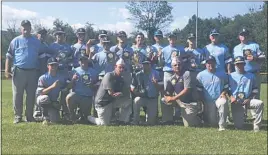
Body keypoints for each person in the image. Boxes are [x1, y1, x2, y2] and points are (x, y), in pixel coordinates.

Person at [5, 20, 41, 123]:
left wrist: (42, 71)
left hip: (33, 72)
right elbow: (8, 56)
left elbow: (42, 57)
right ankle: (18, 116)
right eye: (24, 27)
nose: (26, 29)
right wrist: (7, 70)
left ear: (30, 28)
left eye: (28, 27)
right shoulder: (15, 41)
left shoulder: (37, 42)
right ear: (21, 29)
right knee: (17, 95)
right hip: (19, 71)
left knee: (31, 95)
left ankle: (29, 117)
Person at [233, 28, 266, 119]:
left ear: (248, 35)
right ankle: (242, 115)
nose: (243, 36)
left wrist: (255, 58)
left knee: (255, 94)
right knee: (241, 93)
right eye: (241, 34)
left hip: (253, 73)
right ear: (239, 36)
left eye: (245, 34)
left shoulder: (254, 45)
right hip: (241, 74)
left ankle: (255, 115)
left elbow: (263, 57)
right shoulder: (236, 48)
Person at [87, 58, 132, 125]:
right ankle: (90, 118)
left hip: (112, 101)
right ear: (115, 67)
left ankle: (122, 121)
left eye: (123, 68)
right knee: (103, 124)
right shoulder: (109, 75)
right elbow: (111, 93)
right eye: (120, 67)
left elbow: (126, 92)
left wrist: (122, 93)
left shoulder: (122, 77)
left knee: (128, 101)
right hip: (103, 103)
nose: (122, 69)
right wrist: (121, 94)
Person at [162, 57, 201, 127]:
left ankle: (199, 118)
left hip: (190, 102)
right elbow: (168, 93)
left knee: (188, 125)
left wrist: (173, 98)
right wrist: (165, 95)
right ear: (172, 67)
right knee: (163, 100)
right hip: (179, 101)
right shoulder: (172, 78)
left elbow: (186, 90)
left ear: (182, 65)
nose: (177, 66)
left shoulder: (186, 74)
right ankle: (168, 120)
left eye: (179, 64)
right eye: (175, 65)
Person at [229, 56, 264, 132]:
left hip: (248, 100)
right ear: (235, 65)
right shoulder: (230, 76)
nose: (239, 65)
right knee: (239, 126)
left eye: (241, 64)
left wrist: (250, 98)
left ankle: (257, 126)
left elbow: (255, 90)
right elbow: (226, 89)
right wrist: (231, 97)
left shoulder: (251, 75)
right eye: (237, 64)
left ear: (244, 64)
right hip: (236, 102)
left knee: (260, 103)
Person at [196, 55, 229, 131]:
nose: (210, 65)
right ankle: (212, 119)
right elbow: (199, 90)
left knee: (223, 103)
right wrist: (202, 101)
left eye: (212, 63)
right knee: (213, 123)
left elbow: (226, 86)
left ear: (215, 63)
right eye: (208, 63)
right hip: (207, 100)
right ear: (205, 64)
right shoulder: (200, 75)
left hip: (219, 97)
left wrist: (223, 93)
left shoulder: (222, 73)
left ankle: (222, 126)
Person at [48, 27, 74, 119]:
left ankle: (66, 113)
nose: (59, 36)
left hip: (65, 72)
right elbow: (48, 60)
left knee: (65, 93)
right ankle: (52, 111)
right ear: (55, 35)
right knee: (54, 92)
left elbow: (72, 59)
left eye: (61, 34)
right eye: (58, 34)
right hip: (55, 72)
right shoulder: (51, 46)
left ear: (64, 35)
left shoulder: (69, 47)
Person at [66, 54, 98, 123]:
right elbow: (69, 86)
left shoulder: (94, 72)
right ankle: (72, 116)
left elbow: (97, 87)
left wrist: (92, 84)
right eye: (81, 60)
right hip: (77, 95)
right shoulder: (74, 71)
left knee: (86, 118)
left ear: (88, 60)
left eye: (85, 60)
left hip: (87, 96)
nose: (83, 62)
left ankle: (81, 114)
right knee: (69, 97)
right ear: (79, 62)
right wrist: (73, 79)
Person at [36, 58, 69, 125]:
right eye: (52, 65)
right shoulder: (43, 77)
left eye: (55, 65)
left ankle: (60, 115)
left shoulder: (61, 77)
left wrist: (72, 81)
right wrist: (52, 86)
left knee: (55, 120)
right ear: (48, 66)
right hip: (44, 99)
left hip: (54, 102)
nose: (54, 67)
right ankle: (44, 116)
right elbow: (41, 92)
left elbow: (65, 88)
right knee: (44, 98)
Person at [160, 33, 185, 124]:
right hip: (168, 71)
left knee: (178, 92)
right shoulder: (164, 49)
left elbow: (184, 59)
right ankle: (168, 116)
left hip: (178, 72)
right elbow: (160, 62)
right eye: (170, 38)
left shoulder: (181, 49)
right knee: (168, 92)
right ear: (168, 39)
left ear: (176, 39)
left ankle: (178, 115)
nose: (172, 40)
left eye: (174, 38)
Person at [131, 60, 161, 125]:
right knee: (136, 100)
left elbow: (161, 87)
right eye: (144, 64)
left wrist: (156, 84)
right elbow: (132, 85)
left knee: (151, 123)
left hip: (152, 98)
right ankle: (135, 120)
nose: (145, 66)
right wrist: (135, 92)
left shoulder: (156, 73)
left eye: (147, 64)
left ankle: (149, 119)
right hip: (142, 97)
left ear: (150, 65)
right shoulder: (138, 74)